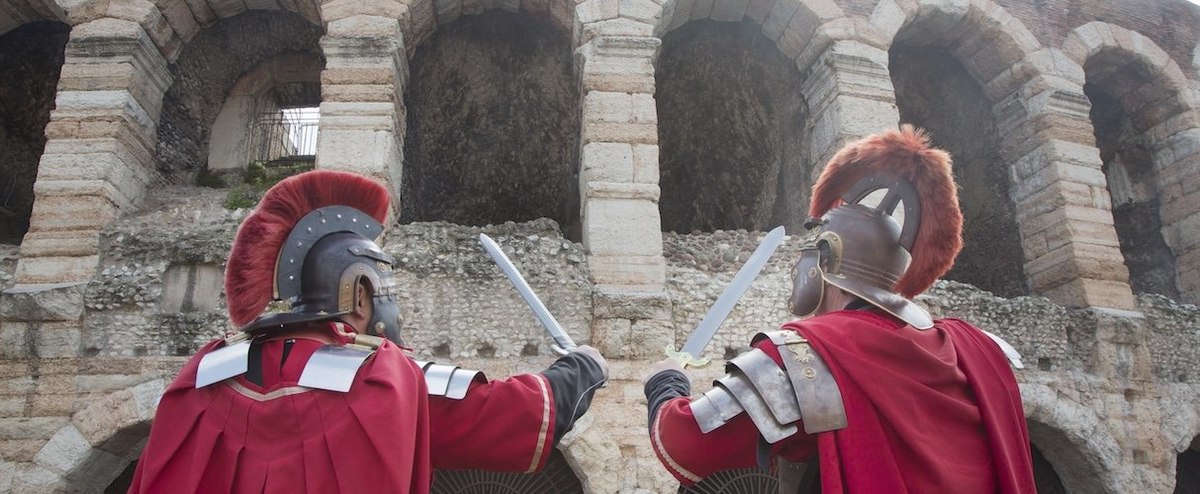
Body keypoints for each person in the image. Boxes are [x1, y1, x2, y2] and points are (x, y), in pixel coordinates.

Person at [129, 169, 608, 493]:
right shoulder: (380, 379)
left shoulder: (197, 379)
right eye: (384, 287)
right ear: (359, 294)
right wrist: (583, 367)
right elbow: (518, 416)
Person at [643, 126, 1036, 493]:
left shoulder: (803, 355)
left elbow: (687, 442)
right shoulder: (982, 349)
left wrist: (666, 383)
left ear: (826, 256)